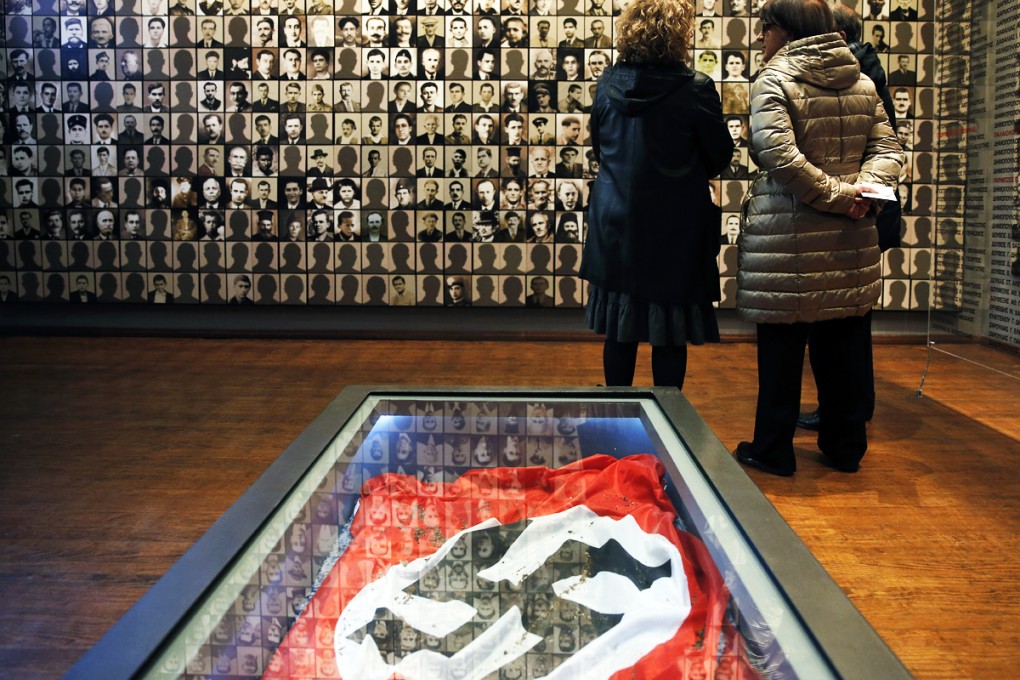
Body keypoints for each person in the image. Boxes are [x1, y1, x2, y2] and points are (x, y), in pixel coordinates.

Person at [734, 0, 903, 476]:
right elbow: (889, 150)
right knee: (843, 344)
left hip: (787, 238)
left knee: (782, 350)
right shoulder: (861, 81)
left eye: (766, 28)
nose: (760, 38)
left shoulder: (773, 80)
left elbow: (779, 157)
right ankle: (845, 448)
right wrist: (860, 194)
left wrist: (841, 196)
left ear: (786, 31)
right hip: (850, 236)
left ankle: (773, 450)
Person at [580, 0, 733, 390]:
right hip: (674, 226)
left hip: (615, 222)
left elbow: (600, 149)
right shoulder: (696, 88)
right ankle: (669, 416)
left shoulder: (607, 85)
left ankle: (616, 412)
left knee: (620, 328)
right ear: (679, 35)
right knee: (669, 332)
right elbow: (719, 156)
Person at [796, 3, 903, 433]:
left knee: (842, 324)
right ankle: (852, 409)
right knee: (851, 321)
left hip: (854, 211)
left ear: (837, 36)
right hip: (861, 207)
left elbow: (876, 148)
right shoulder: (865, 69)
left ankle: (846, 411)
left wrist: (851, 199)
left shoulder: (855, 75)